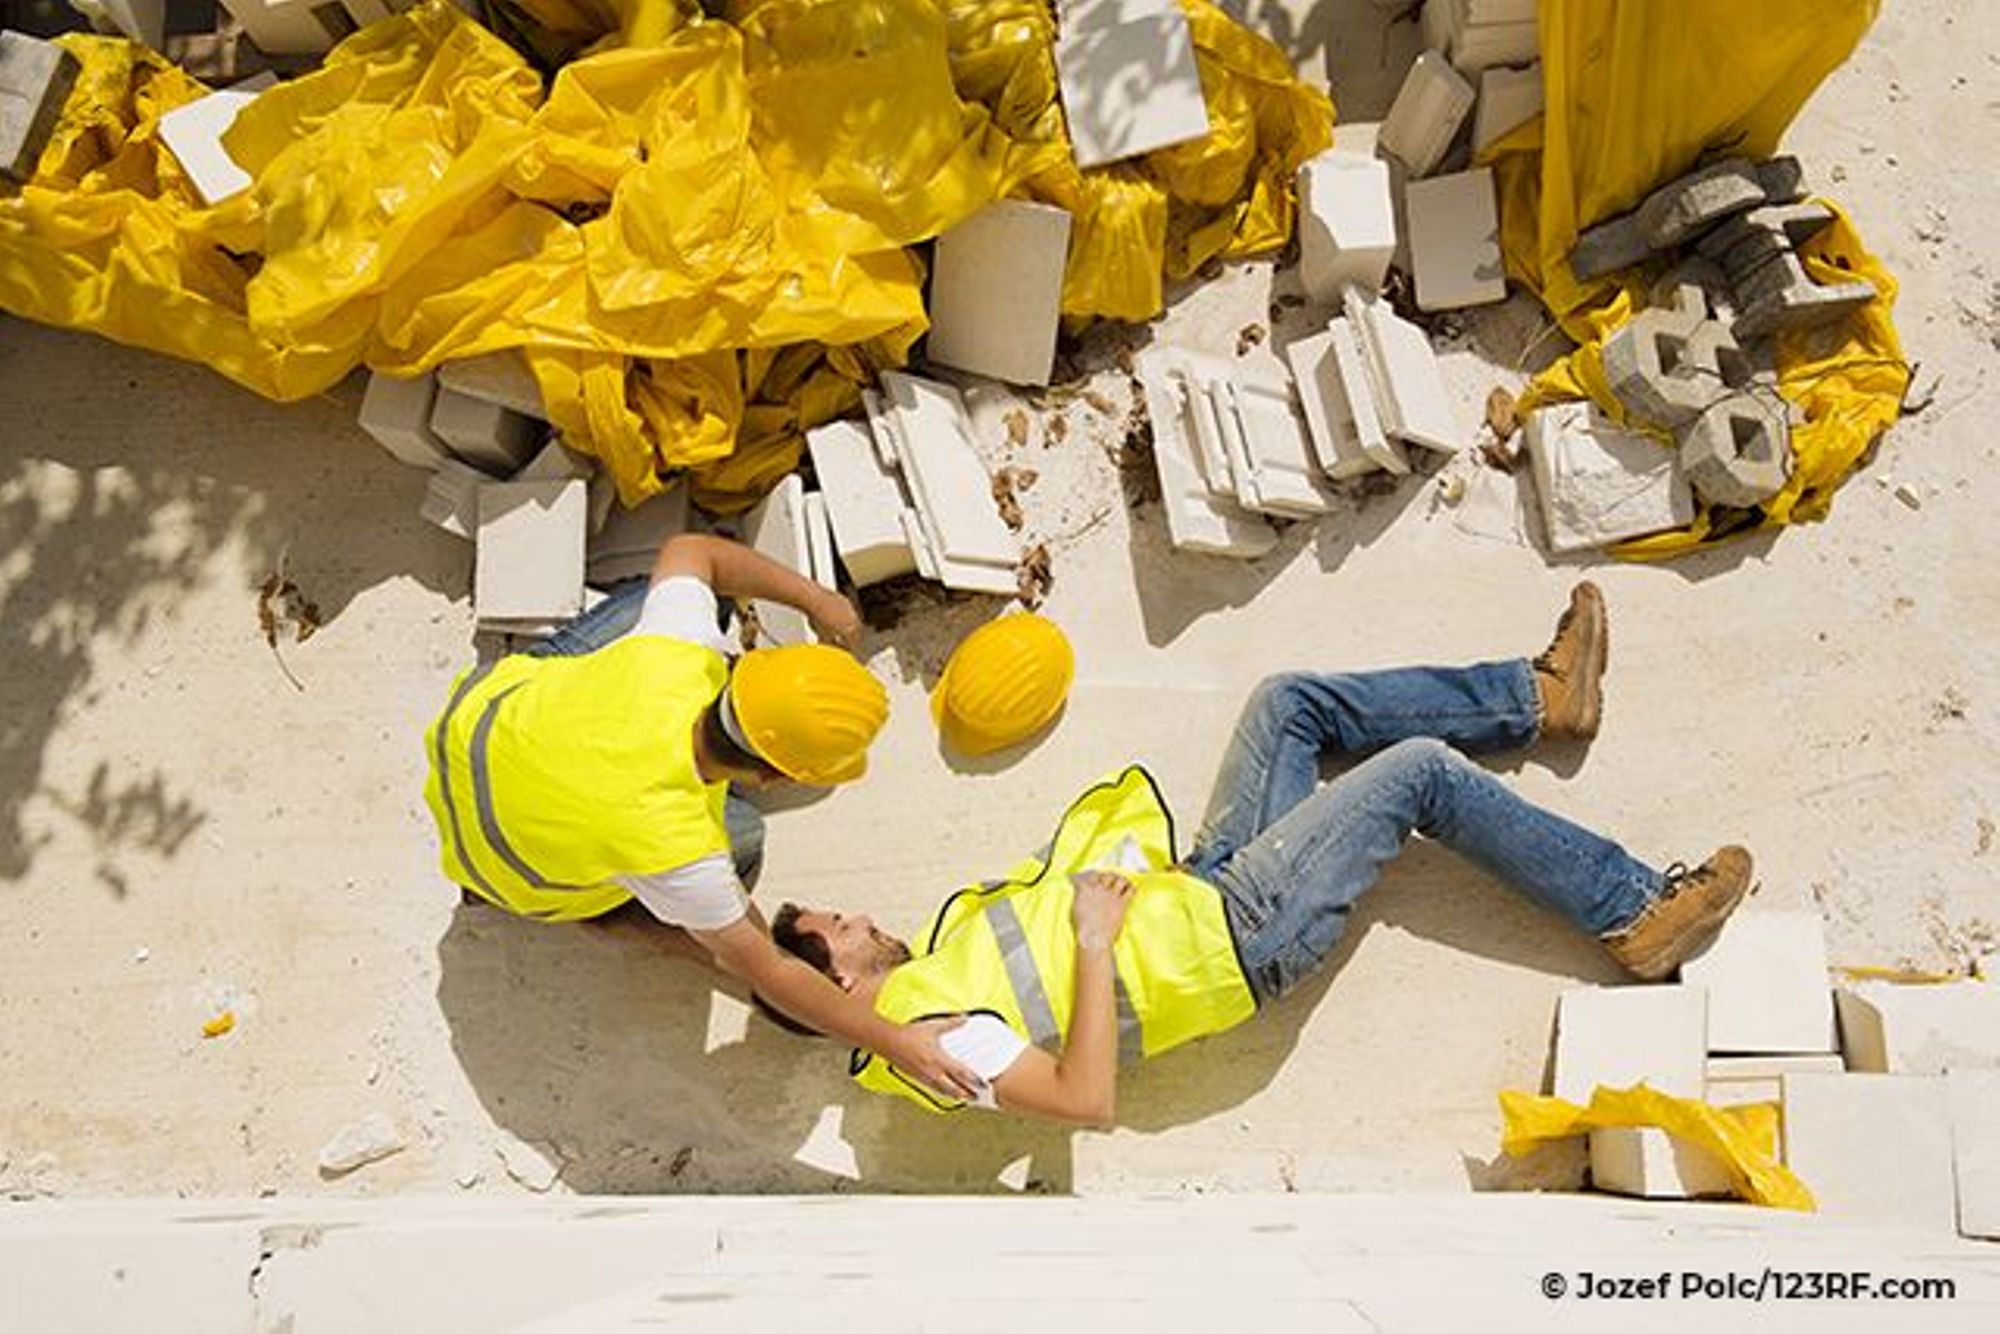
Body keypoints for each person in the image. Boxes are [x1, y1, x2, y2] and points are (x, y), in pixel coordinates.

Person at [770, 583, 1754, 1122]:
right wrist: (1093, 935)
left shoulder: (928, 975)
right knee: (1417, 773)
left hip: (1199, 888)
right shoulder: (929, 1036)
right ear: (841, 990)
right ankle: (1631, 909)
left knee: (1287, 703)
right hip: (1239, 936)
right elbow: (1084, 1100)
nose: (858, 918)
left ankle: (1538, 699)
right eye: (839, 931)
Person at [423, 528, 981, 1099]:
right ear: (775, 777)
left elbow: (692, 549)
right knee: (744, 838)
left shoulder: (679, 655)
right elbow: (771, 971)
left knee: (652, 597)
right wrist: (896, 1042)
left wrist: (816, 599)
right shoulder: (681, 850)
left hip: (474, 728)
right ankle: (608, 917)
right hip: (502, 869)